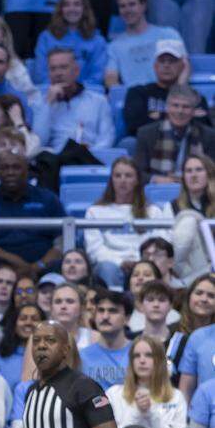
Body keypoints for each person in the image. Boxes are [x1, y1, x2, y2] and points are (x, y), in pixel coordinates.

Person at [0, 150, 64, 282]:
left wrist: (37, 266)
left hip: (43, 261)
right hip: (2, 261)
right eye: (5, 168)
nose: (10, 172)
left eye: (16, 167)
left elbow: (61, 240)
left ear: (27, 171)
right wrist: (17, 262)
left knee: (62, 264)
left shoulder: (48, 198)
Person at [85, 158, 169, 289]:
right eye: (117, 176)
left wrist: (142, 262)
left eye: (128, 176)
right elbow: (94, 249)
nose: (122, 180)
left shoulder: (153, 211)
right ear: (111, 180)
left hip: (144, 263)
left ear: (137, 180)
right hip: (111, 265)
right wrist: (120, 262)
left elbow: (161, 242)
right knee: (107, 269)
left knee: (148, 271)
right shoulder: (95, 211)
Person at [105, 335, 186, 428]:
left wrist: (151, 413)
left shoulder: (175, 397)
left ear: (160, 361)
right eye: (137, 356)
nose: (142, 360)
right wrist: (137, 412)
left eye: (149, 355)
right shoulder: (114, 394)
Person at [34, 48, 114, 154]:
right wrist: (48, 103)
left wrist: (91, 154)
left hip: (90, 158)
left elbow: (107, 139)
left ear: (76, 71)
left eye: (63, 67)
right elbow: (39, 142)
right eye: (53, 69)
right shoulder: (41, 103)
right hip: (56, 160)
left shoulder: (99, 101)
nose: (58, 73)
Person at [123, 39, 206, 136]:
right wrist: (185, 116)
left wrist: (158, 116)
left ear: (183, 66)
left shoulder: (196, 97)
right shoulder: (138, 93)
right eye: (162, 61)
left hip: (188, 145)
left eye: (172, 61)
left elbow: (203, 129)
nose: (166, 65)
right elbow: (135, 127)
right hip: (148, 144)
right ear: (155, 66)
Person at [105, 0, 181, 88]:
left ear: (143, 6)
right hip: (134, 99)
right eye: (122, 6)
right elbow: (110, 77)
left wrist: (178, 92)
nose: (127, 10)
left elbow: (184, 67)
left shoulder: (168, 34)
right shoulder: (114, 46)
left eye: (132, 4)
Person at [133, 86, 215, 182]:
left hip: (195, 189)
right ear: (167, 108)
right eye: (175, 105)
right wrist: (159, 179)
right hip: (158, 190)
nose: (180, 111)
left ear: (194, 111)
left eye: (186, 107)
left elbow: (212, 173)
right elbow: (138, 173)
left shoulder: (209, 136)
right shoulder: (146, 133)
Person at [33, 0, 108, 87]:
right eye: (66, 5)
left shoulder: (98, 41)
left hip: (87, 93)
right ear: (61, 10)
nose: (71, 9)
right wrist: (56, 89)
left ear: (84, 9)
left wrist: (78, 91)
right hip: (51, 91)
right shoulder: (46, 37)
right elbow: (40, 73)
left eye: (77, 4)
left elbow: (97, 75)